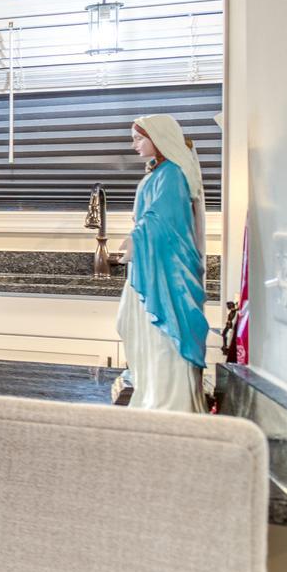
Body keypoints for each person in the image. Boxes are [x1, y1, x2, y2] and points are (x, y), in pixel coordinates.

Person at [115, 114, 207, 411]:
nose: (134, 145)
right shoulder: (160, 172)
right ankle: (148, 382)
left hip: (167, 269)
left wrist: (136, 239)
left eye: (139, 138)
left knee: (160, 333)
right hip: (149, 263)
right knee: (129, 323)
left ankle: (167, 397)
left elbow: (163, 220)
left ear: (159, 138)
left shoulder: (172, 175)